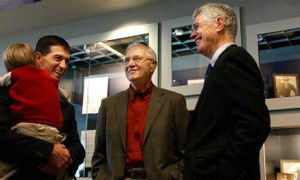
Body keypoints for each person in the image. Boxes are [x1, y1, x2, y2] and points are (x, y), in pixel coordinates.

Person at [184, 3, 270, 180]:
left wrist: (225, 172)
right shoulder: (221, 64)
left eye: (196, 26)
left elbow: (254, 124)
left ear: (219, 23)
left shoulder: (233, 60)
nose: (192, 34)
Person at [92, 42, 190, 180]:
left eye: (137, 58)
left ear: (152, 65)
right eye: (126, 60)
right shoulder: (109, 105)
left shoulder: (173, 102)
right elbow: (99, 155)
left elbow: (187, 151)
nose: (130, 64)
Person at [0, 35, 85, 179]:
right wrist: (48, 152)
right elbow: (2, 137)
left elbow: (78, 149)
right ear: (38, 58)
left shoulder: (65, 105)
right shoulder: (6, 92)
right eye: (58, 58)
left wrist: (63, 159)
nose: (63, 66)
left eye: (67, 61)